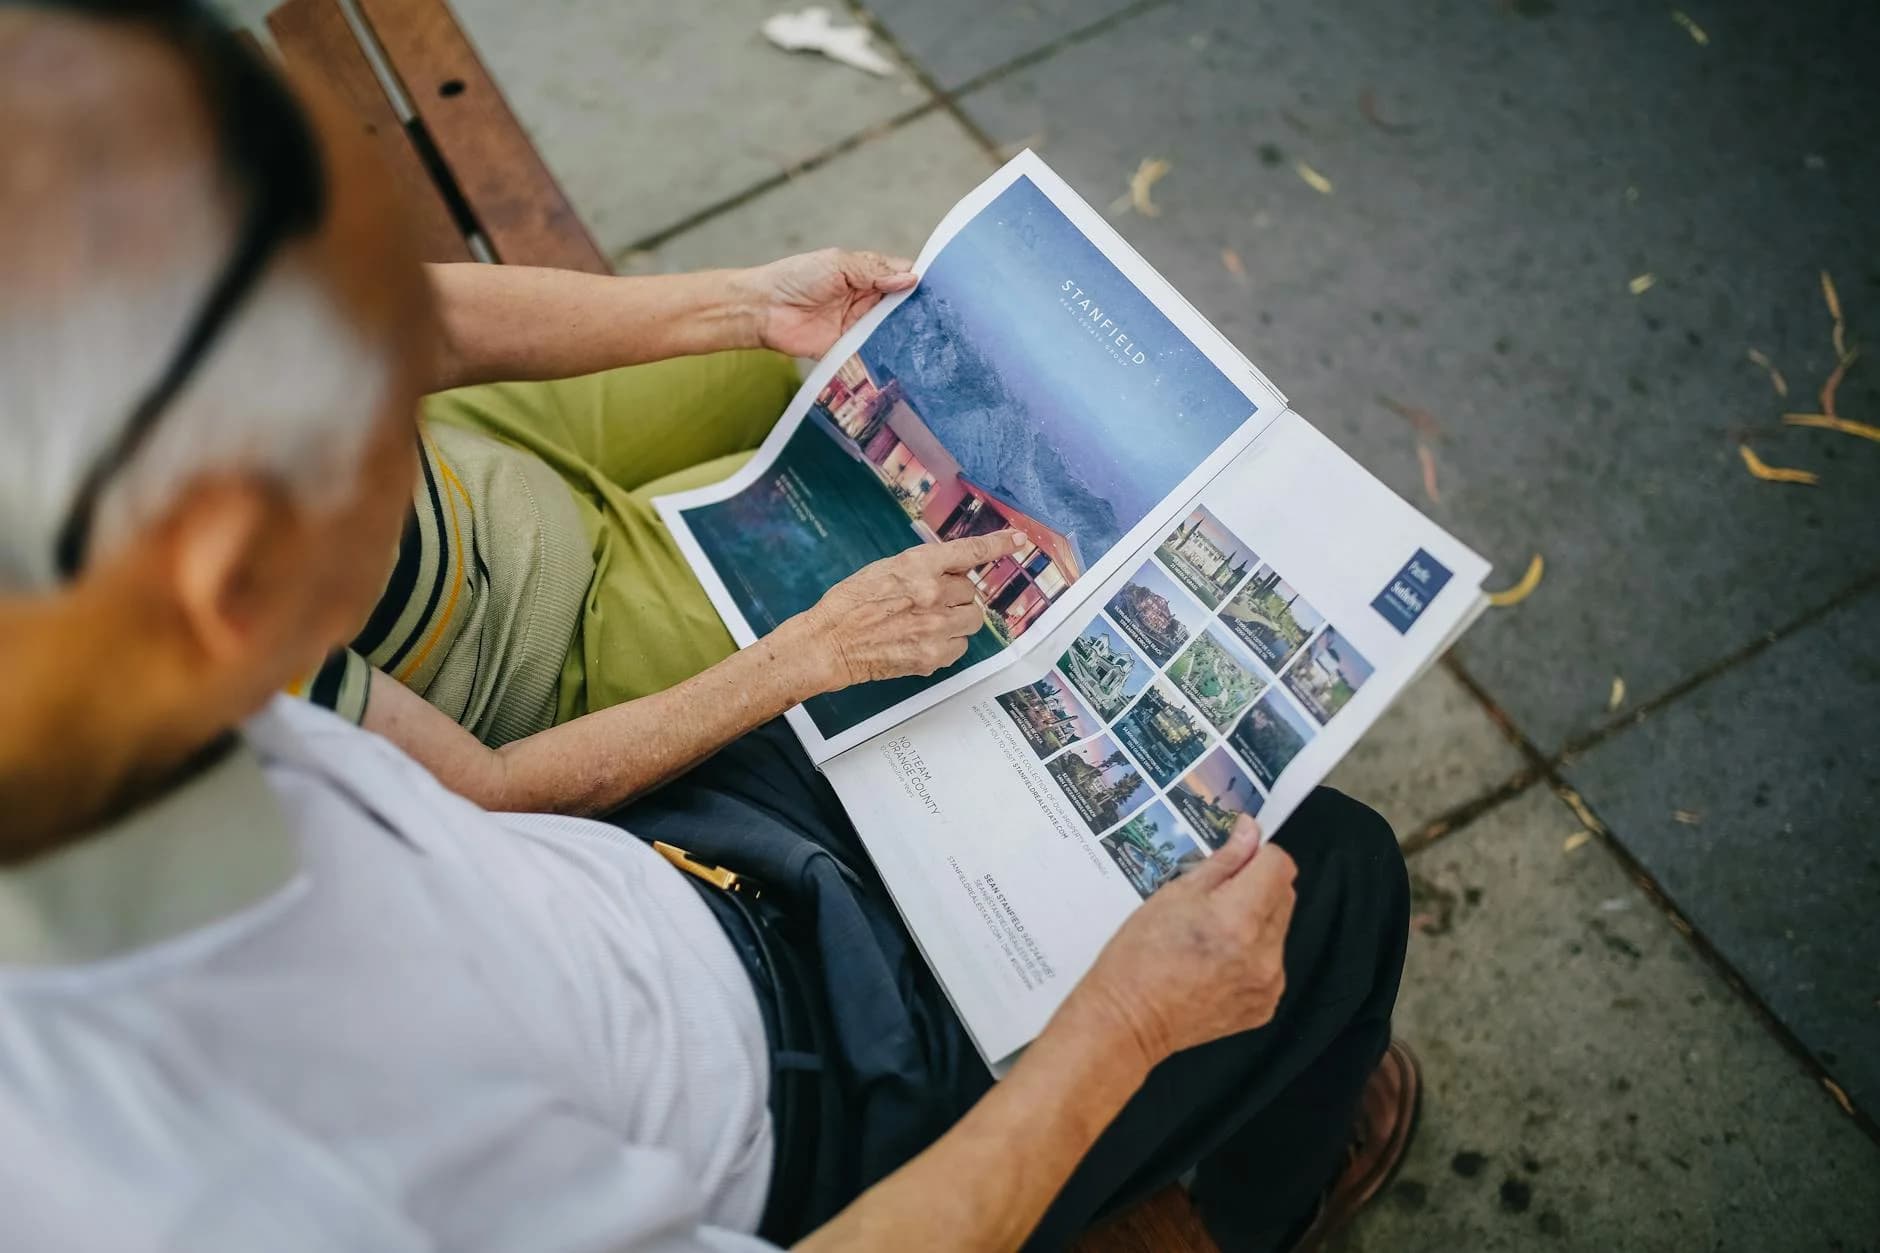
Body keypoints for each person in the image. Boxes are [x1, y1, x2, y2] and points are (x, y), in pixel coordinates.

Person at [0, 4, 1419, 1250]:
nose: (383, 392)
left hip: (667, 870)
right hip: (811, 1100)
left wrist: (739, 306)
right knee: (1336, 873)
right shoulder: (224, 1183)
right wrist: (1124, 1028)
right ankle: (1243, 1211)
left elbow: (404, 330)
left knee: (934, 520)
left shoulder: (100, 659)